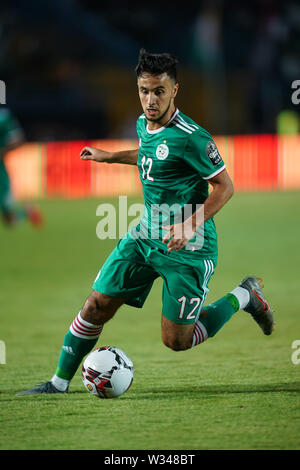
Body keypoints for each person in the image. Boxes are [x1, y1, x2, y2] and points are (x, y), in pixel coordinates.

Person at [17, 49, 274, 396]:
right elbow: (150, 154)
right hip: (145, 235)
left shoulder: (193, 136)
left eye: (159, 91)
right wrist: (110, 157)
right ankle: (58, 384)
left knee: (177, 340)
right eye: (144, 90)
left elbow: (225, 186)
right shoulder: (143, 124)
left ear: (175, 90)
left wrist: (190, 225)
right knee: (96, 304)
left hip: (190, 247)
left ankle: (245, 295)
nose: (150, 100)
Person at [0, 107, 43, 227]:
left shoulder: (3, 117)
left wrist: (2, 151)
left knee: (10, 221)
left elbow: (18, 139)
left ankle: (27, 211)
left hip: (0, 173)